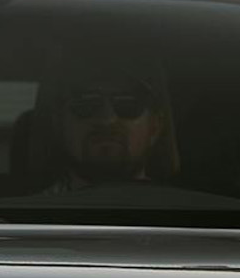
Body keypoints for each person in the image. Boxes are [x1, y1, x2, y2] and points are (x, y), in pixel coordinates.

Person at [40, 65, 179, 190]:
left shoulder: (185, 212)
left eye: (127, 104)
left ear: (155, 126)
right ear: (59, 123)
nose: (107, 119)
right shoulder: (31, 211)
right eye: (86, 103)